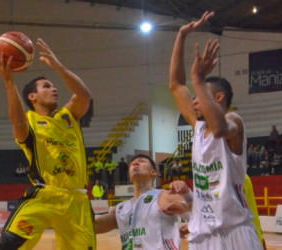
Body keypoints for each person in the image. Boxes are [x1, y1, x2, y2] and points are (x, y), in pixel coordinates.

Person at [169, 11, 262, 250]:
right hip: (204, 234)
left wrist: (199, 80)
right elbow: (176, 85)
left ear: (218, 97)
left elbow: (220, 128)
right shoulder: (199, 128)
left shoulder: (234, 121)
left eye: (199, 95)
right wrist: (181, 35)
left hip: (235, 231)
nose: (194, 100)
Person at [0, 38, 95, 249]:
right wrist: (9, 81)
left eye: (54, 85)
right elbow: (17, 120)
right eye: (46, 86)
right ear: (32, 96)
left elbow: (84, 95)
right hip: (44, 195)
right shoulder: (28, 120)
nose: (54, 89)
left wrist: (57, 65)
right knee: (9, 244)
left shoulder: (69, 117)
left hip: (77, 201)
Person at [94, 154, 192, 249]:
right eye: (132, 163)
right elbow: (93, 227)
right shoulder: (120, 209)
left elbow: (200, 214)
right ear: (129, 175)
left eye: (141, 161)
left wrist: (192, 225)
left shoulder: (165, 196)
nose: (136, 163)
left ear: (153, 172)